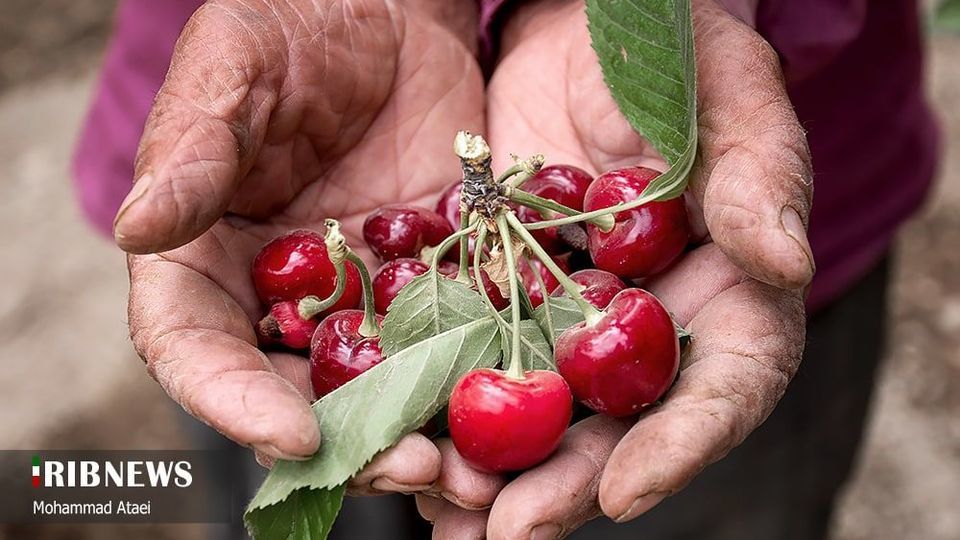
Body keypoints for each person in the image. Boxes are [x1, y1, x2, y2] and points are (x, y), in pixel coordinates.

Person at [73, 0, 937, 538]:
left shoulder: (575, 247)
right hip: (285, 156)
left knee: (708, 502)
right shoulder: (369, 282)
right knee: (294, 462)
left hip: (800, 156)